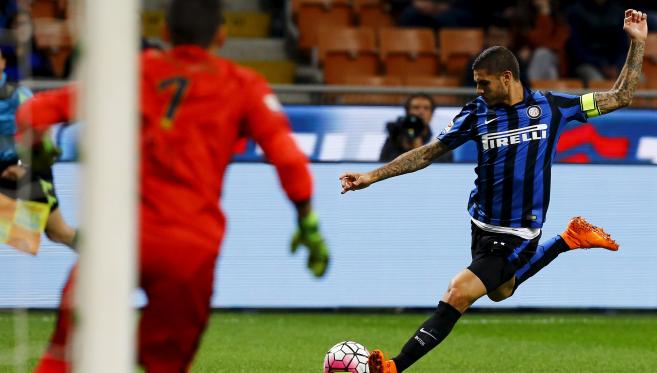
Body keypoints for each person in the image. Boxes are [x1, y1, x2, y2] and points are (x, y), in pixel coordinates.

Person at [18, 0, 329, 371]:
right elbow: (289, 158)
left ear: (164, 33)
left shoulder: (132, 71)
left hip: (122, 237)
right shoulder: (244, 85)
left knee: (65, 356)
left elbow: (31, 113)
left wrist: (41, 149)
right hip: (190, 249)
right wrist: (306, 220)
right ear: (222, 34)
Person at [340, 8, 647, 373]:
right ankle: (569, 238)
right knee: (502, 291)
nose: (478, 90)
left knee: (458, 292)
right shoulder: (477, 113)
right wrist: (373, 176)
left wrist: (637, 44)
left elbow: (621, 96)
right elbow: (429, 152)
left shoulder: (553, 106)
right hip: (481, 225)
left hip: (517, 231)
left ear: (506, 77)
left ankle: (393, 366)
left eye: (483, 83)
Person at [0, 48, 76, 250]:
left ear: (3, 64)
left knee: (58, 232)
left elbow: (43, 135)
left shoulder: (18, 95)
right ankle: (23, 233)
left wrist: (22, 166)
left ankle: (106, 255)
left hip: (31, 165)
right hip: (3, 170)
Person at [379, 93, 452, 163]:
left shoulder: (441, 145)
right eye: (416, 108)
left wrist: (419, 148)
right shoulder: (394, 141)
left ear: (431, 114)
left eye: (426, 108)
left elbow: (444, 169)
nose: (421, 112)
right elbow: (383, 167)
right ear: (407, 112)